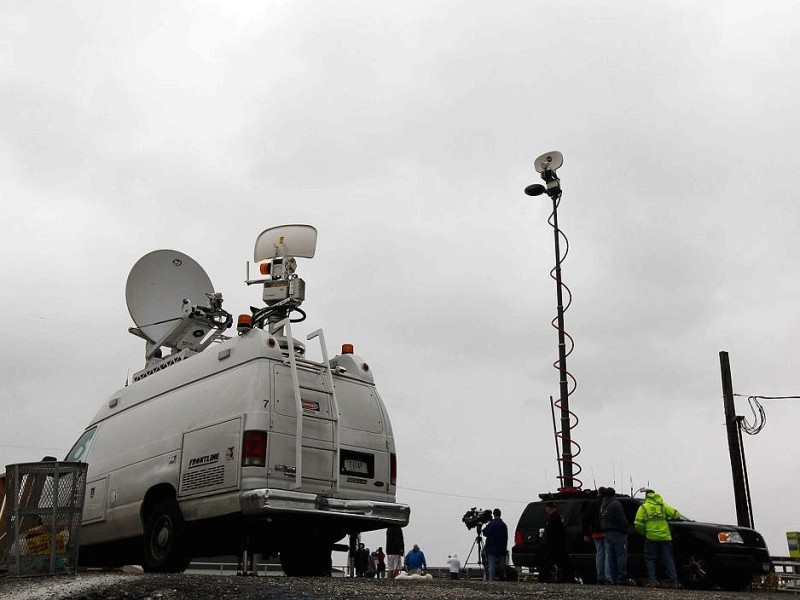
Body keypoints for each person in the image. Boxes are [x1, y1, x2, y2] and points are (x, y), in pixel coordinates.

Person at [634, 489, 681, 588]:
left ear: (646, 496)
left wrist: (644, 532)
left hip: (651, 537)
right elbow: (676, 514)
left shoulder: (643, 507)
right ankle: (674, 581)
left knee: (650, 559)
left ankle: (652, 581)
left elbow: (637, 524)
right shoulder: (662, 505)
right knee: (668, 559)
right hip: (665, 536)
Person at [601, 487, 629, 585]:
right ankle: (621, 579)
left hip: (607, 533)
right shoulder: (616, 504)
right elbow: (621, 519)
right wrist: (626, 530)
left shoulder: (604, 505)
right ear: (614, 494)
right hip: (617, 532)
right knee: (621, 556)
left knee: (611, 557)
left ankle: (613, 578)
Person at [540, 502, 574, 583]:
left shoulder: (554, 518)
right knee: (564, 563)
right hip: (558, 545)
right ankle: (569, 579)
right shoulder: (556, 517)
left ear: (548, 508)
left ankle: (542, 578)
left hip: (555, 546)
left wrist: (549, 543)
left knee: (550, 563)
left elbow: (552, 533)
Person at [582, 486, 609, 584]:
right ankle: (607, 576)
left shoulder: (592, 503)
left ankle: (600, 576)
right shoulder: (607, 503)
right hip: (606, 532)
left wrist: (586, 533)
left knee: (600, 553)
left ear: (598, 493)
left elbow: (586, 519)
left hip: (595, 532)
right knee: (607, 553)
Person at [482, 508, 508, 581]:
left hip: (492, 548)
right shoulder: (504, 525)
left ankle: (491, 580)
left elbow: (485, 532)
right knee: (502, 566)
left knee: (491, 565)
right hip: (502, 549)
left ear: (494, 514)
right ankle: (502, 578)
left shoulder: (492, 524)